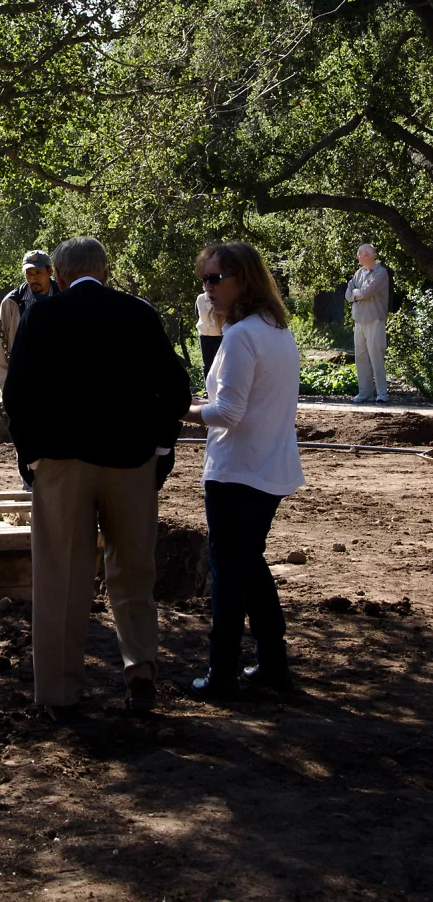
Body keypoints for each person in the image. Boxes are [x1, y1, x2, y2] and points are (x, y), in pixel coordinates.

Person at [2, 236, 191, 720]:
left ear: (60, 276)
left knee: (61, 578)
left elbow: (17, 393)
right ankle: (141, 674)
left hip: (61, 464)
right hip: (131, 462)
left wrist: (30, 456)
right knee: (133, 571)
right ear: (105, 271)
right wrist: (161, 448)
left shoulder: (42, 315)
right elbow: (175, 390)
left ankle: (59, 691)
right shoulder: (140, 313)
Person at [181, 242, 303, 699]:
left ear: (244, 279)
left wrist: (178, 410)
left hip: (237, 472)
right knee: (249, 566)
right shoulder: (274, 328)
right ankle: (272, 663)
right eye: (204, 279)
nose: (208, 288)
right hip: (266, 468)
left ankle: (222, 674)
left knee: (230, 574)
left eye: (216, 279)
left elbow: (227, 413)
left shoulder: (242, 335)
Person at [0, 250, 60, 390]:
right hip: (24, 379)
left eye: (38, 273)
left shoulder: (64, 296)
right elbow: (0, 351)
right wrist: (6, 388)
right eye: (29, 274)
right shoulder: (11, 303)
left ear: (50, 272)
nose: (33, 279)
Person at [345, 243, 389, 404]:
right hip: (359, 320)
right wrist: (358, 294)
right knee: (361, 357)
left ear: (366, 255)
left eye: (359, 254)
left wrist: (358, 293)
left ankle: (382, 393)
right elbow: (348, 294)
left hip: (374, 319)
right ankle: (365, 393)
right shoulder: (358, 273)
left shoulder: (381, 273)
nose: (357, 257)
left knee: (376, 357)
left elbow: (367, 292)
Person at [195, 287, 223, 377]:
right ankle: (207, 385)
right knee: (207, 364)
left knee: (219, 364)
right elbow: (198, 314)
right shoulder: (200, 298)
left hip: (218, 335)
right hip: (204, 335)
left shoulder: (220, 297)